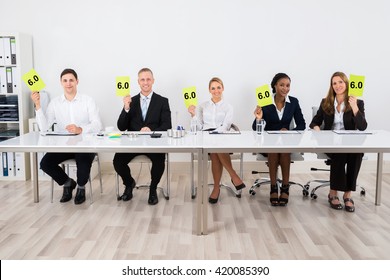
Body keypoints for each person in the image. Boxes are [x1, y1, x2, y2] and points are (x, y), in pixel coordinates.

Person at [31, 68, 102, 205]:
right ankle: (68, 183)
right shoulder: (55, 103)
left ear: (77, 81)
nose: (68, 83)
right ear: (61, 83)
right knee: (45, 163)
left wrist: (80, 129)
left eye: (71, 80)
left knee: (83, 163)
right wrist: (38, 105)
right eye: (65, 80)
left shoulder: (88, 100)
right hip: (64, 144)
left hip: (84, 144)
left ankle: (81, 188)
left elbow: (97, 124)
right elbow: (44, 128)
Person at [310, 71, 367, 212]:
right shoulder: (326, 102)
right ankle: (333, 192)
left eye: (340, 82)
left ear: (346, 83)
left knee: (356, 153)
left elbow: (362, 126)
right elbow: (314, 122)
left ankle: (348, 194)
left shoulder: (358, 102)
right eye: (334, 83)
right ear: (331, 86)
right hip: (330, 142)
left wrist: (354, 107)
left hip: (350, 142)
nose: (337, 85)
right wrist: (318, 131)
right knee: (340, 153)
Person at [113, 68, 172, 205]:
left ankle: (153, 188)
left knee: (159, 161)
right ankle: (129, 184)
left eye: (148, 79)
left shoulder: (162, 101)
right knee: (118, 161)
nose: (145, 82)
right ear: (138, 82)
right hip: (134, 142)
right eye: (142, 79)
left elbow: (167, 124)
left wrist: (151, 129)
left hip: (154, 142)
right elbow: (121, 127)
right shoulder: (131, 101)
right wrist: (126, 108)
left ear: (153, 80)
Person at [188, 77, 246, 204]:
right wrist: (193, 115)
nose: (216, 91)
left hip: (222, 136)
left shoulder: (228, 107)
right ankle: (234, 176)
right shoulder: (202, 106)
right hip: (206, 136)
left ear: (223, 88)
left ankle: (216, 188)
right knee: (215, 148)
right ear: (209, 90)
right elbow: (199, 127)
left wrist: (216, 134)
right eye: (213, 88)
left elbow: (226, 126)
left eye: (218, 87)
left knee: (216, 150)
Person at [252, 73, 306, 206]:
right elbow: (255, 128)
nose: (285, 88)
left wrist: (289, 132)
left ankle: (285, 187)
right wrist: (258, 118)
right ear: (274, 85)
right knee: (274, 150)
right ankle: (273, 187)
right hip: (269, 144)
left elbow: (302, 124)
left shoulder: (293, 102)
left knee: (284, 151)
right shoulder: (265, 102)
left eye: (287, 85)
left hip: (286, 142)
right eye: (281, 85)